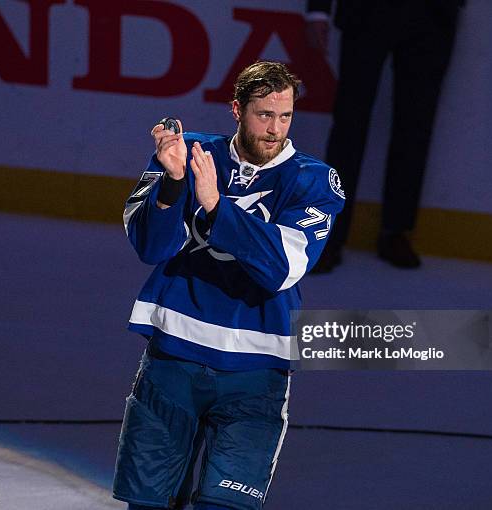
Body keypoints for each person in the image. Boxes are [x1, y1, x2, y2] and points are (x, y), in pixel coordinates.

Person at [113, 61, 345, 510]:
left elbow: (282, 266)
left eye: (285, 116)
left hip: (255, 368)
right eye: (264, 115)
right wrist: (174, 183)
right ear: (236, 109)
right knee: (147, 504)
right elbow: (149, 246)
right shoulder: (190, 153)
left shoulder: (315, 180)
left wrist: (217, 206)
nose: (275, 129)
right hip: (172, 354)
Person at [306, 0, 463, 271]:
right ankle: (330, 233)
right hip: (368, 11)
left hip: (432, 14)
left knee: (415, 126)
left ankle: (397, 229)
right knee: (350, 123)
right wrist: (318, 9)